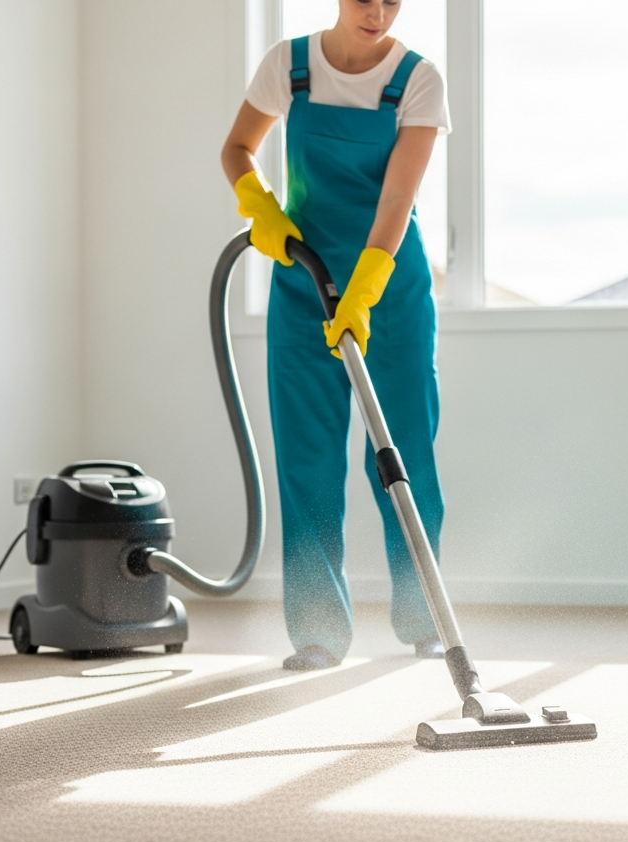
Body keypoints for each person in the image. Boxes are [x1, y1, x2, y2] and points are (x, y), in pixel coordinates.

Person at [220, 0, 450, 670]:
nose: (377, 12)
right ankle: (318, 632)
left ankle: (427, 620)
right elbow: (237, 147)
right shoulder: (288, 67)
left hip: (390, 294)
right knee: (306, 461)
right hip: (304, 284)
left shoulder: (417, 79)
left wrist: (367, 289)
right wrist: (259, 205)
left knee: (407, 455)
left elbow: (396, 202)